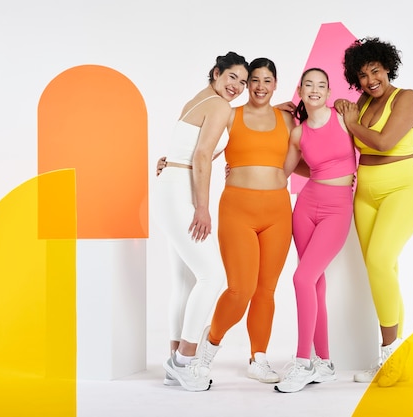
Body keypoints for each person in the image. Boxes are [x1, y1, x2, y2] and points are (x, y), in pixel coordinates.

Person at [195, 57, 297, 384]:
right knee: (240, 289)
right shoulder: (230, 115)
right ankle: (208, 348)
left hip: (279, 212)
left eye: (267, 80)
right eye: (254, 80)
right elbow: (204, 151)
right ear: (247, 84)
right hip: (237, 209)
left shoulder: (287, 119)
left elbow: (310, 155)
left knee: (266, 290)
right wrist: (174, 162)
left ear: (276, 84)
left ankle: (259, 358)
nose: (260, 86)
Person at [152, 52, 249, 392]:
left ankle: (173, 363)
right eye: (232, 77)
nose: (236, 86)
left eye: (242, 81)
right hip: (181, 191)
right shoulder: (219, 106)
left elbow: (193, 148)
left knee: (184, 280)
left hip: (171, 185)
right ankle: (185, 361)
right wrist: (203, 208)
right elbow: (202, 155)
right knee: (211, 276)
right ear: (217, 72)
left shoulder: (203, 100)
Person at [337, 37, 413, 386]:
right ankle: (396, 356)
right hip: (366, 192)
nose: (370, 79)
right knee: (383, 268)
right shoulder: (359, 102)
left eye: (375, 70)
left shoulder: (407, 97)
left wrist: (350, 124)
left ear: (388, 66)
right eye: (362, 74)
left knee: (379, 261)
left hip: (401, 187)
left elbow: (386, 142)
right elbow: (341, 141)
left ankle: (389, 354)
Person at [273, 68, 357, 393]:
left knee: (302, 278)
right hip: (306, 207)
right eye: (308, 85)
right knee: (314, 283)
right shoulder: (298, 133)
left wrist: (409, 155)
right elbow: (283, 174)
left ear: (328, 90)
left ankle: (302, 362)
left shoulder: (342, 116)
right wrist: (241, 168)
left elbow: (370, 143)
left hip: (338, 208)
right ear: (300, 90)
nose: (315, 90)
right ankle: (323, 363)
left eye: (321, 85)